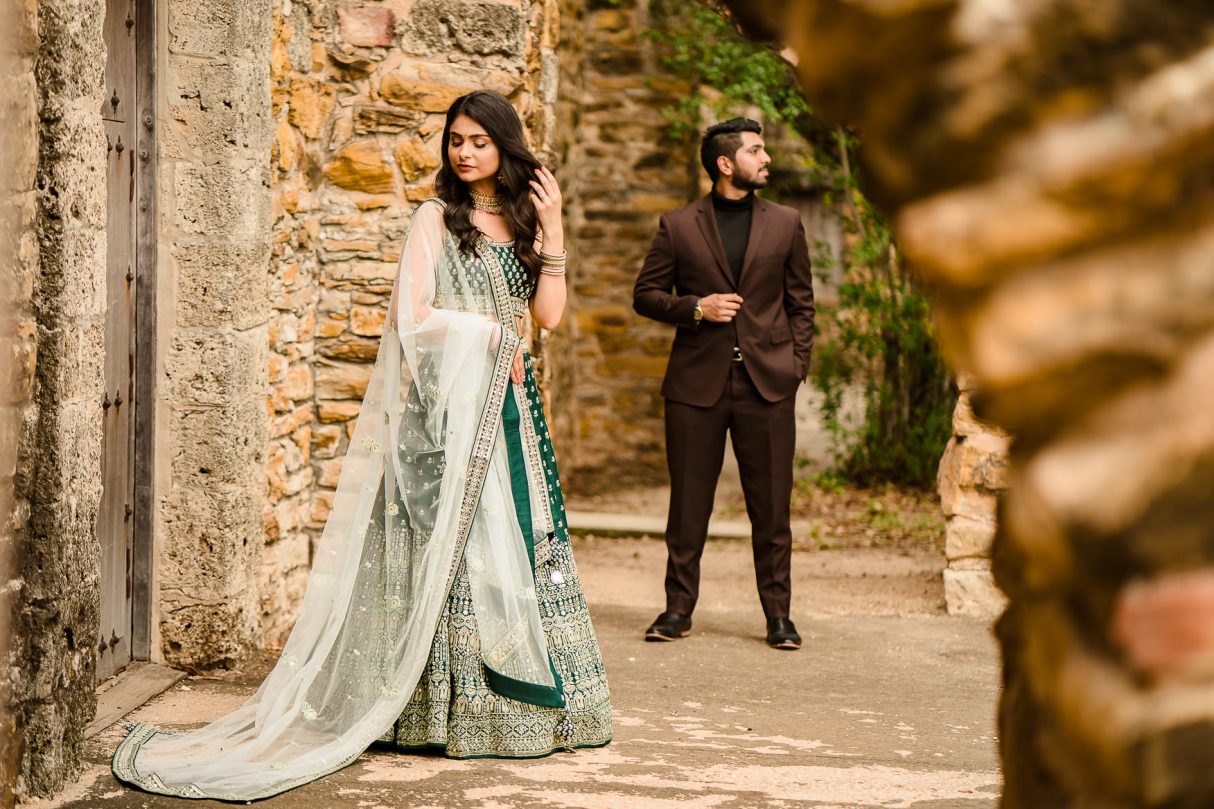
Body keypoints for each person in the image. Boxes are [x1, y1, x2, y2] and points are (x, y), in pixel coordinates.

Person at [112, 91, 612, 800]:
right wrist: (490, 335)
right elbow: (411, 319)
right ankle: (423, 706)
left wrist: (554, 229)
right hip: (442, 419)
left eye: (478, 140)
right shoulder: (435, 220)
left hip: (508, 418)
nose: (464, 152)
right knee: (437, 551)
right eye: (455, 140)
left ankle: (503, 706)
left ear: (505, 145)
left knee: (508, 553)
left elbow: (548, 317)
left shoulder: (525, 224)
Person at [633, 118, 815, 651]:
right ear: (725, 163)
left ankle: (779, 616)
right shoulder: (678, 225)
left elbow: (801, 302)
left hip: (768, 385)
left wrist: (795, 365)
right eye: (757, 151)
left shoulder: (786, 222)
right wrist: (695, 307)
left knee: (772, 507)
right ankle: (677, 610)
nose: (767, 159)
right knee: (689, 505)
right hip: (695, 386)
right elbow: (646, 294)